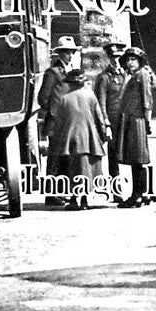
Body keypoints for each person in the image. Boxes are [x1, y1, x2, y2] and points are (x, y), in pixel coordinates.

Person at [45, 69, 110, 210]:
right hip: (88, 138)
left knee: (73, 169)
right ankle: (85, 200)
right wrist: (102, 136)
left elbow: (59, 122)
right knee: (87, 168)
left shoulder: (63, 99)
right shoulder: (91, 96)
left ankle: (75, 200)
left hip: (70, 139)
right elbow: (99, 118)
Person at [116, 47, 156, 207]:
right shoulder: (131, 75)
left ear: (140, 61)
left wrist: (147, 122)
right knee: (135, 158)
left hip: (137, 120)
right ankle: (141, 193)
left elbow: (147, 100)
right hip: (130, 119)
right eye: (128, 60)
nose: (130, 62)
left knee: (137, 158)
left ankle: (138, 195)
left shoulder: (141, 74)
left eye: (133, 59)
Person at [38, 36, 79, 205]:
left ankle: (61, 191)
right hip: (56, 123)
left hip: (69, 122)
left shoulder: (72, 71)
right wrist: (56, 113)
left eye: (72, 52)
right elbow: (43, 98)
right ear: (59, 54)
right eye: (67, 52)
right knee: (54, 159)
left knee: (66, 157)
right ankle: (50, 195)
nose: (70, 55)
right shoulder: (53, 73)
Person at [93, 41, 129, 183]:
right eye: (113, 57)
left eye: (119, 57)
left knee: (130, 153)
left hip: (127, 120)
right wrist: (106, 124)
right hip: (113, 121)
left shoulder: (127, 75)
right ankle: (116, 189)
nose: (116, 60)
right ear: (108, 58)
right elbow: (101, 103)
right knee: (113, 155)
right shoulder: (104, 77)